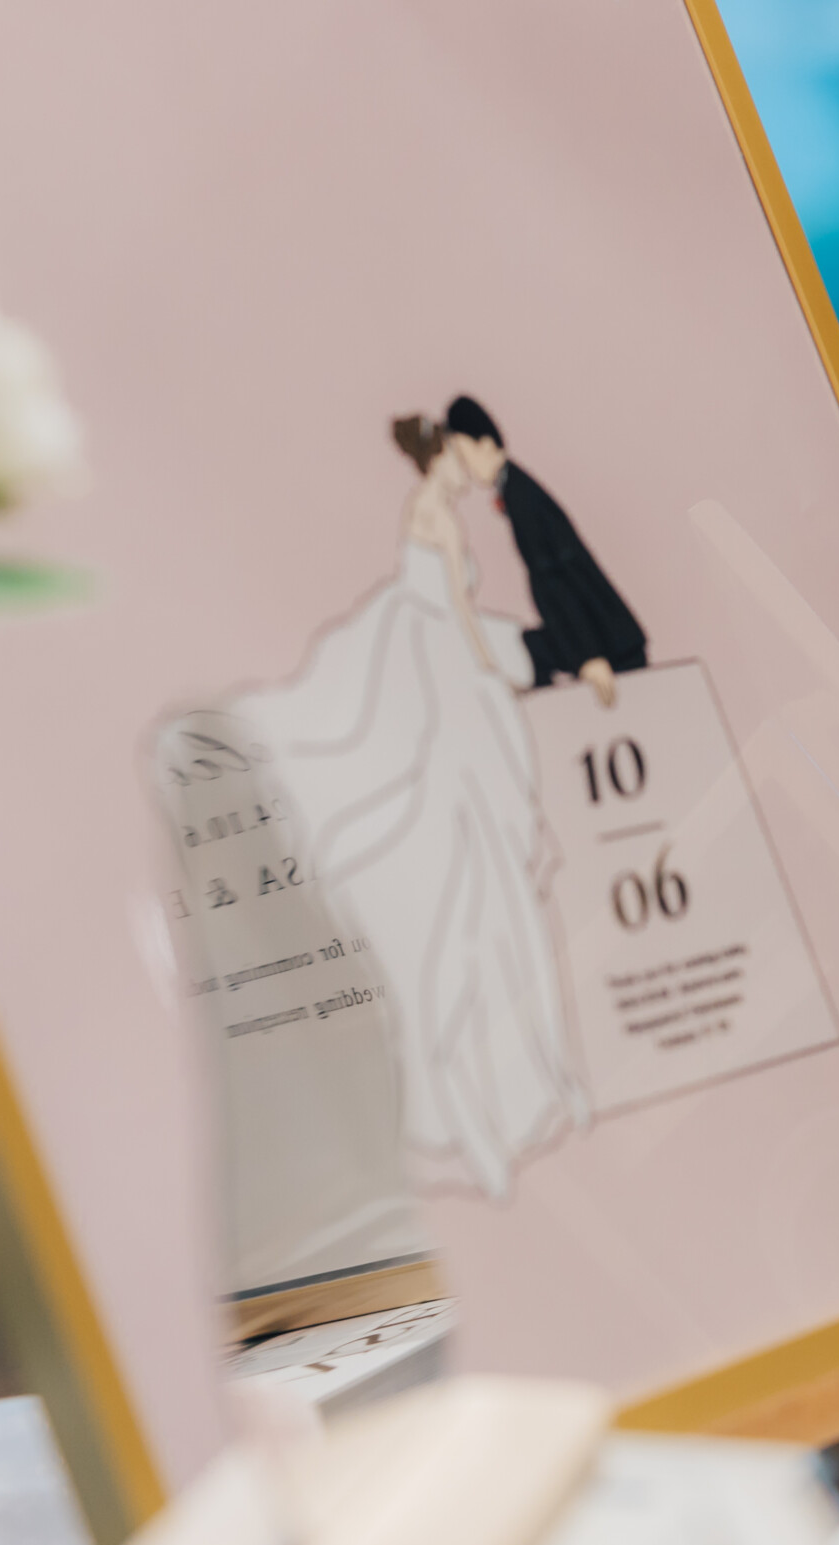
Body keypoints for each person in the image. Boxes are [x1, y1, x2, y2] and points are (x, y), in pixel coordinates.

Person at [229, 414, 588, 1199]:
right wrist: (494, 669)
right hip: (447, 668)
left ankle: (501, 1081)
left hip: (435, 660)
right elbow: (454, 612)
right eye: (466, 457)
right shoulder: (435, 513)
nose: (473, 472)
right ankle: (476, 1088)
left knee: (480, 861)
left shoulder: (429, 510)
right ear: (449, 454)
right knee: (468, 855)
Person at [444, 395, 646, 707]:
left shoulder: (520, 497)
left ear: (485, 445)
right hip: (602, 631)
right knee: (526, 651)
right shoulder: (517, 488)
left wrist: (589, 655)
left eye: (464, 454)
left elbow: (555, 578)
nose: (465, 467)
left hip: (606, 638)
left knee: (526, 654)